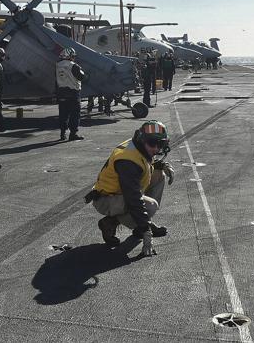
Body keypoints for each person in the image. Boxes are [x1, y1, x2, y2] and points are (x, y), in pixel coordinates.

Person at [87, 120, 174, 257]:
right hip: (106, 199)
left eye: (161, 144)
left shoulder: (138, 145)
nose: (157, 149)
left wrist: (161, 165)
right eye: (152, 143)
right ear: (143, 140)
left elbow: (143, 164)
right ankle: (110, 222)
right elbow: (133, 198)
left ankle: (141, 222)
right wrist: (146, 230)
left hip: (119, 193)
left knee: (158, 174)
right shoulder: (128, 161)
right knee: (151, 206)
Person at [55, 47, 85, 141]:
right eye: (73, 56)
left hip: (61, 92)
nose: (73, 58)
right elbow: (82, 77)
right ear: (69, 56)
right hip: (73, 93)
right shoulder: (73, 66)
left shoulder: (57, 65)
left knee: (63, 115)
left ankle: (62, 134)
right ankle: (73, 134)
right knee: (74, 115)